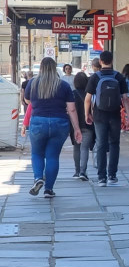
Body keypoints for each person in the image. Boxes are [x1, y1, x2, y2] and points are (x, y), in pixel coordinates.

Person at [22, 57, 82, 198]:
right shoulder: (63, 86)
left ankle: (38, 178)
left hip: (38, 122)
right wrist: (77, 129)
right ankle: (48, 189)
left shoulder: (32, 83)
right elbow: (72, 109)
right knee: (52, 156)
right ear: (55, 68)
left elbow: (27, 100)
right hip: (59, 123)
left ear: (41, 68)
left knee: (37, 153)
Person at [85, 51, 129, 186]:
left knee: (101, 144)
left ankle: (101, 178)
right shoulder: (119, 77)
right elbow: (125, 99)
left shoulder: (95, 77)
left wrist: (86, 114)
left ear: (100, 61)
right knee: (114, 144)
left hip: (99, 115)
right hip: (115, 115)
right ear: (112, 60)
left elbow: (87, 99)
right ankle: (112, 175)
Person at [71, 71, 94, 181]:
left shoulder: (72, 94)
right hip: (87, 124)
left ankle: (76, 171)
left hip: (75, 126)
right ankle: (83, 172)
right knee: (84, 148)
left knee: (76, 148)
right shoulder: (89, 95)